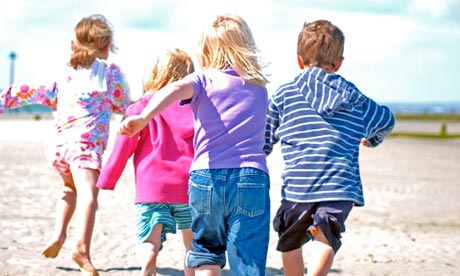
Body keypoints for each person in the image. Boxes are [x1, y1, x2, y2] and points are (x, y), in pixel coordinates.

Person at [118, 14, 271, 276]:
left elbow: (173, 89)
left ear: (205, 50)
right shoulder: (259, 87)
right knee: (247, 254)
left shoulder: (202, 80)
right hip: (251, 176)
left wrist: (145, 117)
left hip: (206, 177)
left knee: (206, 253)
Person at [0, 14, 130, 276]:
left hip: (58, 148)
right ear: (105, 45)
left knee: (68, 188)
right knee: (89, 197)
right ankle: (81, 249)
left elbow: (29, 92)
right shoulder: (109, 73)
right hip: (85, 146)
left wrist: (4, 101)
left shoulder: (64, 74)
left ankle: (58, 236)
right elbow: (124, 105)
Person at [263, 19, 395, 276]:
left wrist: (258, 156)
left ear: (299, 60)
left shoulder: (285, 94)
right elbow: (386, 120)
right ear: (338, 63)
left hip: (298, 185)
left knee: (290, 240)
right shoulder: (353, 96)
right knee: (326, 237)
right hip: (340, 184)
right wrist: (372, 139)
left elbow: (265, 137)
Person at [96, 48, 195, 276]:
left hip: (152, 187)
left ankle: (149, 255)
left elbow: (123, 147)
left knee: (148, 239)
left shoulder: (139, 109)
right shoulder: (194, 109)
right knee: (192, 244)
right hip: (189, 186)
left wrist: (107, 178)